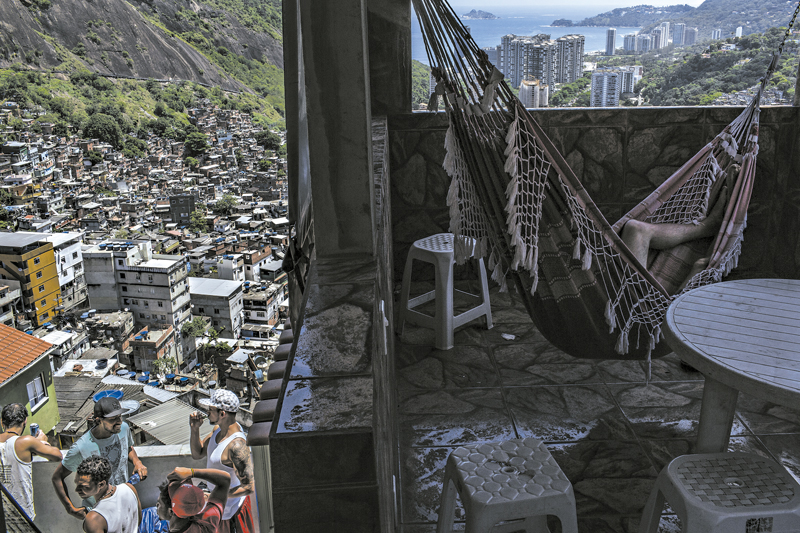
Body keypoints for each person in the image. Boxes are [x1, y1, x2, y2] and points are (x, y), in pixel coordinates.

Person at [621, 164, 738, 291]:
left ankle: (706, 228)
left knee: (635, 229)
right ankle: (712, 229)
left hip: (633, 298)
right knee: (703, 265)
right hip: (640, 305)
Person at [52, 396, 147, 519]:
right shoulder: (81, 447)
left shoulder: (123, 429)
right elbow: (57, 477)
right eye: (113, 419)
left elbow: (128, 447)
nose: (119, 421)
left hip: (123, 504)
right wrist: (70, 509)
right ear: (99, 420)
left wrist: (137, 462)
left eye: (120, 417)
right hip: (99, 513)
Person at [189, 389, 255, 533]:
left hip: (232, 514)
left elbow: (249, 487)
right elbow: (198, 453)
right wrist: (194, 429)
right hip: (219, 509)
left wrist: (214, 496)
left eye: (211, 410)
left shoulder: (237, 446)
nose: (207, 413)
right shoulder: (217, 431)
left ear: (222, 414)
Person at [0, 403, 63, 520]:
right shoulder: (26, 442)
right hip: (21, 515)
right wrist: (40, 442)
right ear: (25, 421)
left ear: (1, 422)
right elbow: (58, 456)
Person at [74, 456, 141, 533]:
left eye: (84, 487)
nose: (76, 490)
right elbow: (137, 521)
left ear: (101, 484)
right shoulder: (129, 489)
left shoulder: (93, 519)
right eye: (76, 483)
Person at [157, 466, 231, 533]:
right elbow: (224, 481)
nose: (156, 505)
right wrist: (192, 472)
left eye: (159, 504)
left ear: (171, 511)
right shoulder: (207, 524)